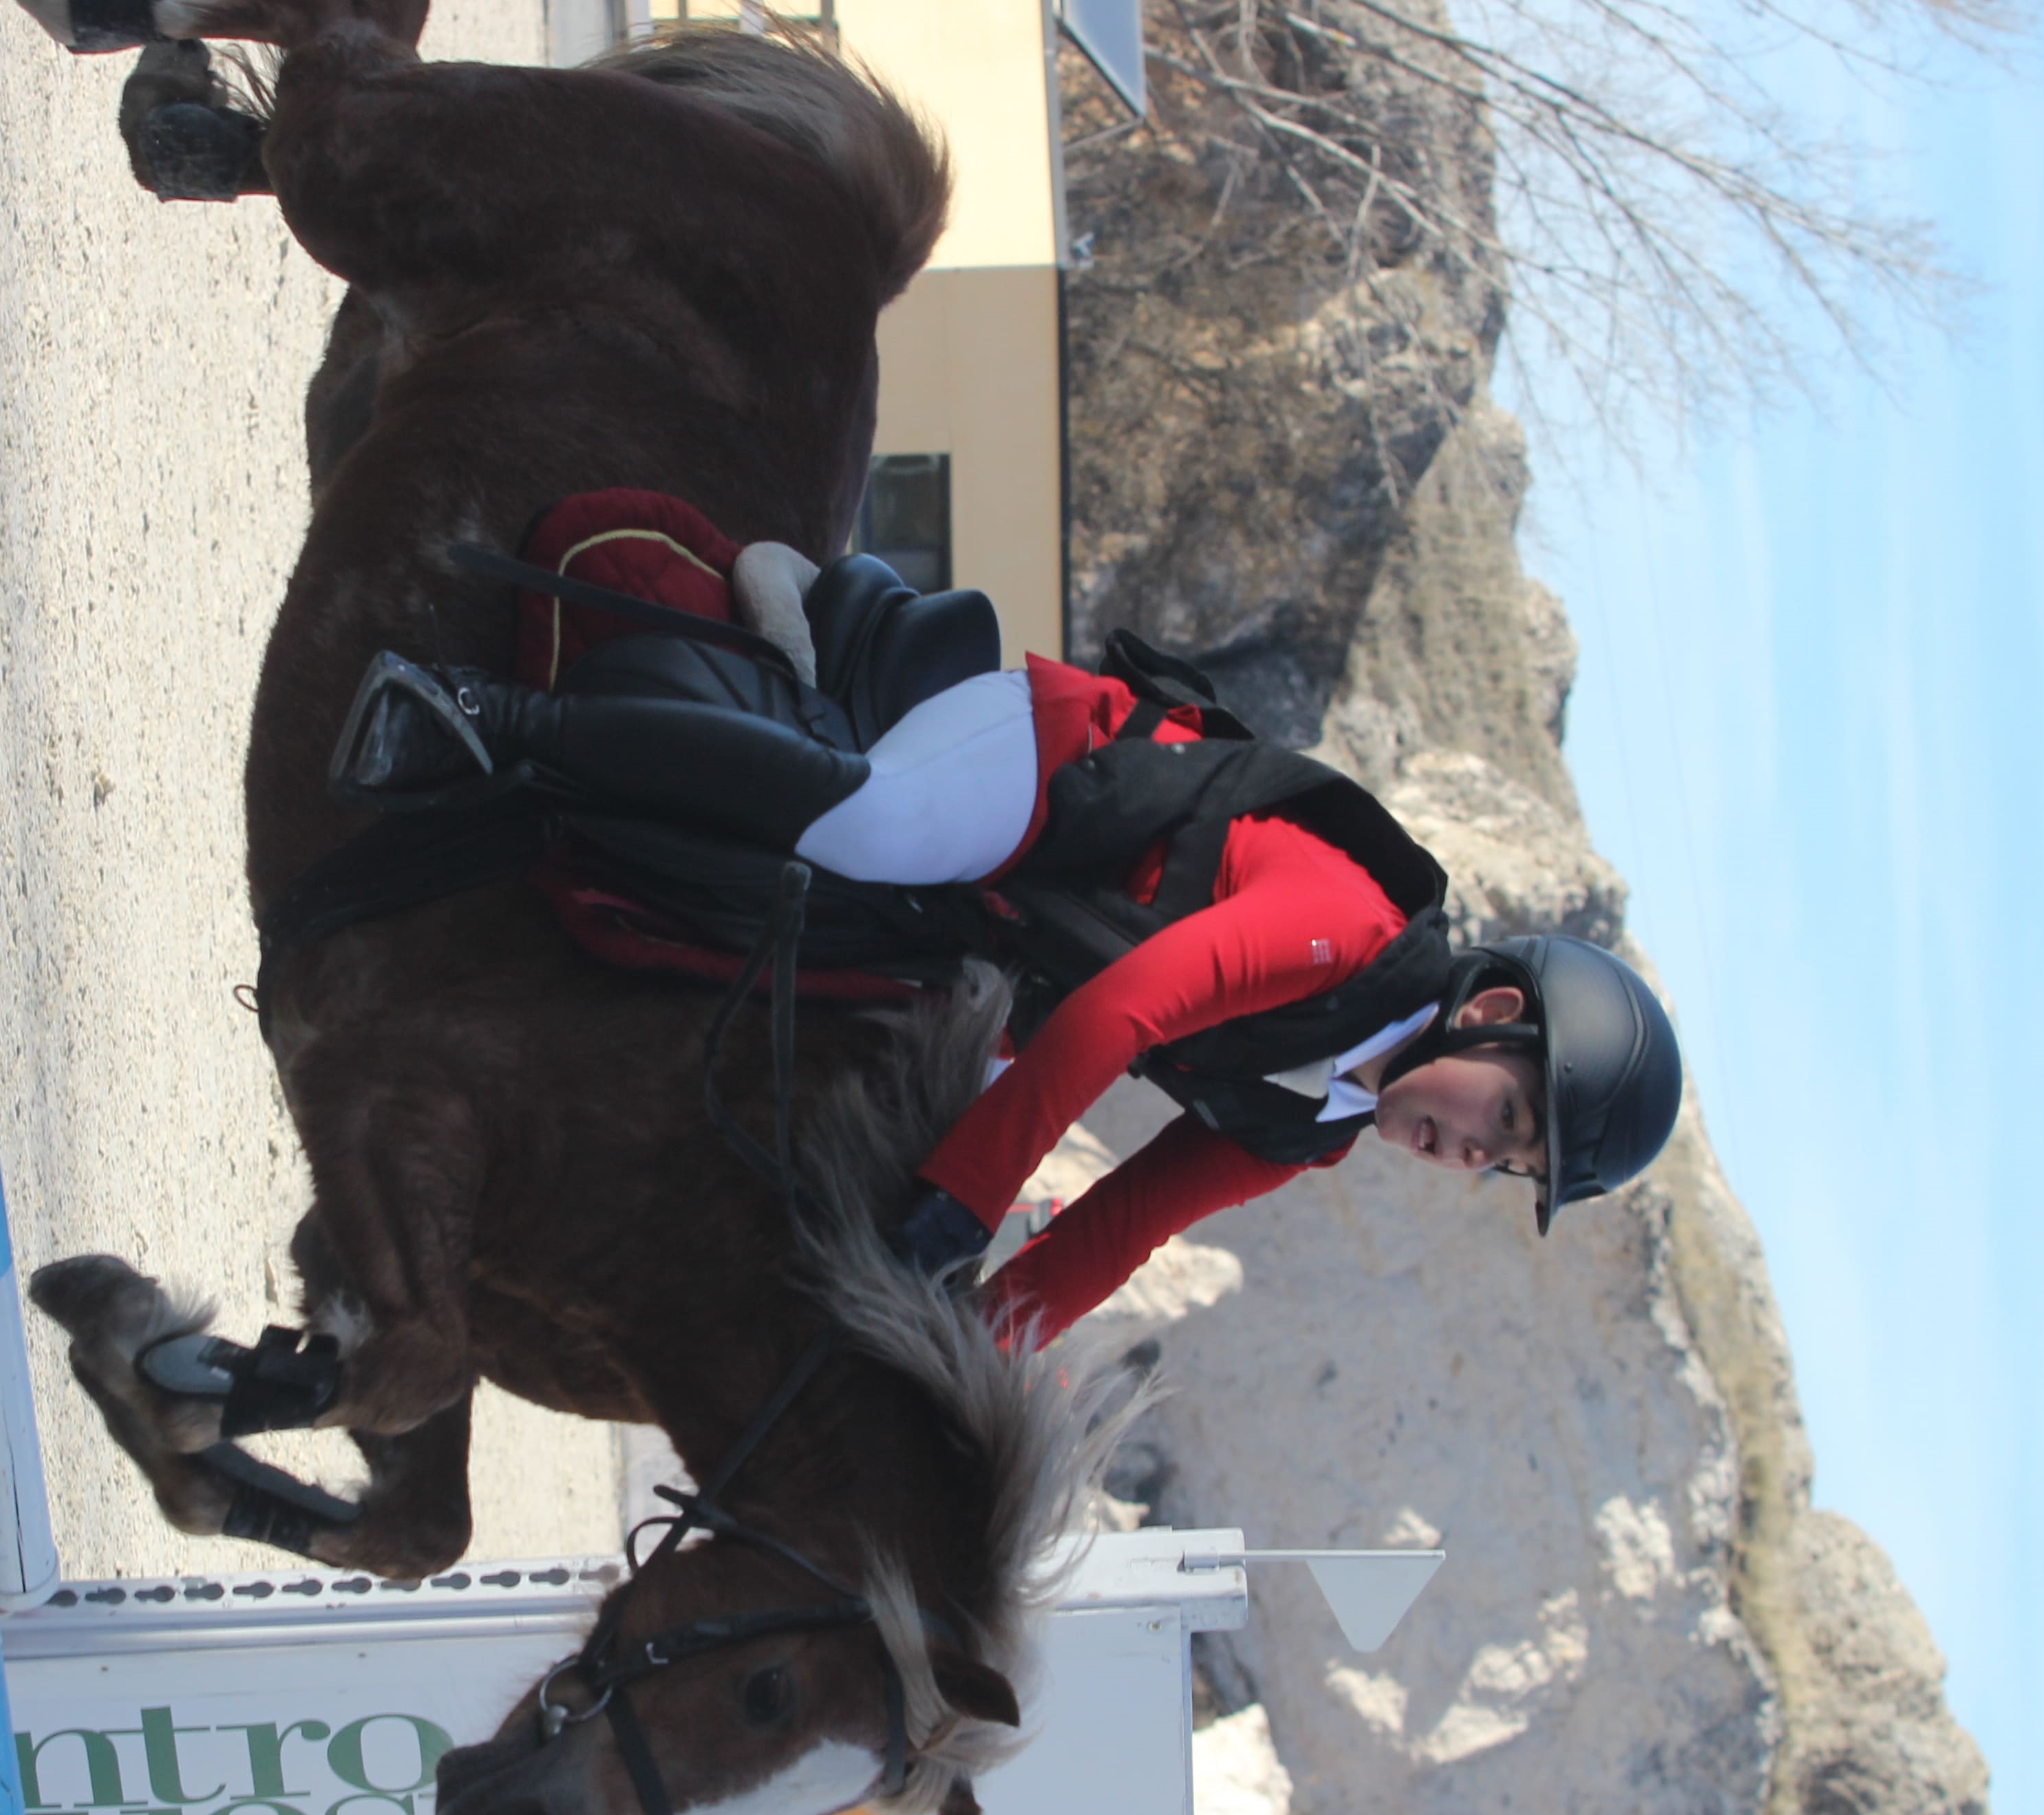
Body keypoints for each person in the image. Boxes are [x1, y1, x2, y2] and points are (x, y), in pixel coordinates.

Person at [331, 547, 1684, 1349]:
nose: (1468, 1156)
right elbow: (1128, 1011)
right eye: (1500, 1115)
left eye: (1500, 1167)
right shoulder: (1352, 923)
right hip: (1037, 779)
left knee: (844, 1108)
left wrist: (968, 1348)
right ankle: (489, 716)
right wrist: (966, 1201)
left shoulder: (1307, 1127)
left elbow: (1127, 1224)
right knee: (862, 824)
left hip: (1013, 954)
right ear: (1492, 1009)